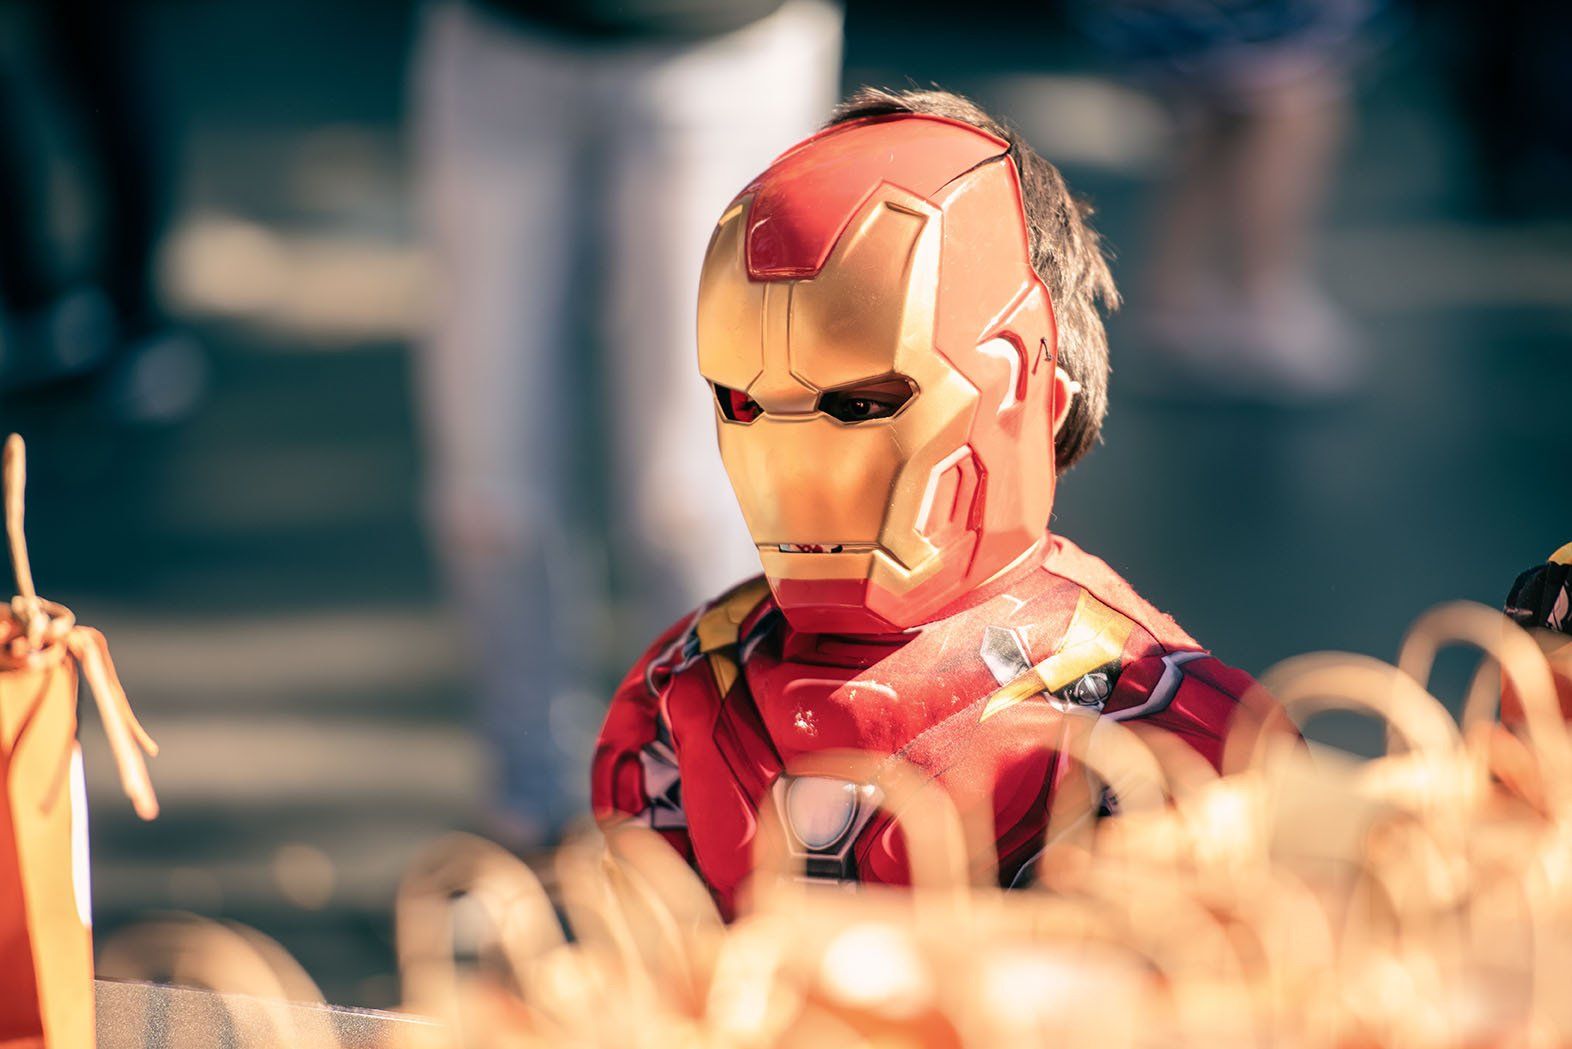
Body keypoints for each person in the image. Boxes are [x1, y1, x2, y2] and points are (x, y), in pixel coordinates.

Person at [591, 89, 1265, 911]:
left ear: (1024, 390)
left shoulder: (1157, 722)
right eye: (745, 402)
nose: (793, 464)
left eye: (864, 401)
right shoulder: (689, 686)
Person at [410, 0, 842, 844]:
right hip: (501, 45)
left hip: (725, 45)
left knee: (694, 497)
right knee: (489, 495)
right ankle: (526, 814)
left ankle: (710, 824)